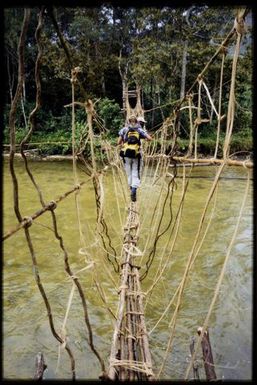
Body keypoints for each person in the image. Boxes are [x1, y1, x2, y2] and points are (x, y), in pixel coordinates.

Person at [118, 115, 152, 202]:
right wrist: (143, 136)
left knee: (128, 172)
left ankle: (131, 187)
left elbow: (118, 142)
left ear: (128, 121)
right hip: (136, 155)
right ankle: (133, 190)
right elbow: (149, 139)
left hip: (126, 155)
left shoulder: (124, 129)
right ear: (137, 122)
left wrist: (124, 144)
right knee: (135, 172)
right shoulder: (139, 130)